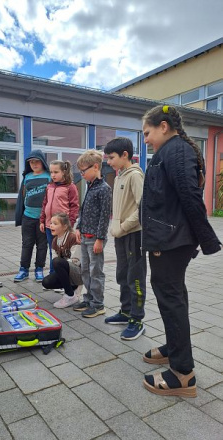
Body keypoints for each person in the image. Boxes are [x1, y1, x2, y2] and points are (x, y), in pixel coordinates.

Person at [141, 104, 221, 398]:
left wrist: (208, 239)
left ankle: (182, 374)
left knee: (171, 298)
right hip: (170, 237)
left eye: (147, 133)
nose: (146, 139)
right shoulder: (173, 150)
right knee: (173, 296)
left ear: (164, 126)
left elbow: (189, 196)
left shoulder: (175, 151)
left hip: (170, 239)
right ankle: (174, 350)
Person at [104, 137, 147, 341]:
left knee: (135, 279)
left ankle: (137, 320)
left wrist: (122, 227)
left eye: (111, 158)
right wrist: (116, 228)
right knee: (122, 274)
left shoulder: (135, 176)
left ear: (125, 155)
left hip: (134, 236)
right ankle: (125, 312)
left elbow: (143, 208)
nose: (109, 162)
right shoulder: (120, 176)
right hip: (121, 236)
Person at [73, 150, 112, 318]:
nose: (81, 174)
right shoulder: (90, 187)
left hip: (95, 238)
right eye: (80, 171)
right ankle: (88, 299)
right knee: (85, 271)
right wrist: (78, 227)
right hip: (85, 236)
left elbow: (104, 216)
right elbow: (83, 211)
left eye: (83, 171)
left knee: (96, 271)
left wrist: (100, 239)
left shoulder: (104, 189)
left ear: (96, 167)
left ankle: (98, 304)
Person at [14, 150, 50, 282]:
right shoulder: (27, 177)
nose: (34, 164)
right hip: (28, 217)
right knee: (27, 244)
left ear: (42, 162)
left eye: (37, 161)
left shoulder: (49, 176)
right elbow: (22, 195)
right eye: (31, 162)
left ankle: (39, 269)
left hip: (43, 218)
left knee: (42, 245)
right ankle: (23, 270)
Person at [40, 160, 79, 274]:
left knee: (63, 252)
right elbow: (45, 204)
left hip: (62, 227)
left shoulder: (70, 187)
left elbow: (74, 206)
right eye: (51, 172)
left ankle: (63, 276)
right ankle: (53, 274)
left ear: (64, 172)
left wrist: (69, 223)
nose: (53, 175)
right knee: (53, 251)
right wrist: (42, 220)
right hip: (49, 226)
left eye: (56, 172)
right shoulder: (49, 186)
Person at [42, 213, 83, 308]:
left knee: (57, 261)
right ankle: (71, 288)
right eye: (51, 223)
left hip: (79, 273)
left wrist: (62, 265)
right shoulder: (54, 241)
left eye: (55, 223)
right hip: (67, 270)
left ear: (64, 226)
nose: (51, 225)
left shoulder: (72, 237)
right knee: (46, 282)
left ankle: (70, 295)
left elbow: (76, 261)